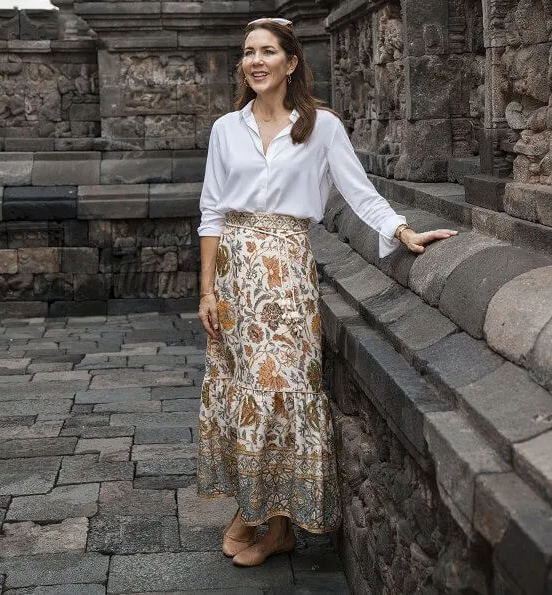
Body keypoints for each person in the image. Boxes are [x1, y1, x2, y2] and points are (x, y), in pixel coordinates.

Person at [196, 17, 458, 568]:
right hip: (236, 275)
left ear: (291, 63)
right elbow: (212, 214)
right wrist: (206, 292)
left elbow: (359, 193)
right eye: (248, 53)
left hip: (288, 273)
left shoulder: (322, 128)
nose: (256, 60)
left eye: (268, 51)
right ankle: (269, 519)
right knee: (244, 389)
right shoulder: (226, 129)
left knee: (283, 394)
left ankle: (264, 520)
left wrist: (403, 231)